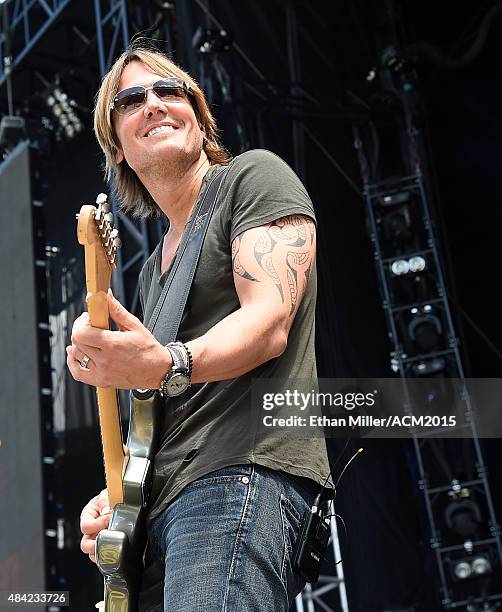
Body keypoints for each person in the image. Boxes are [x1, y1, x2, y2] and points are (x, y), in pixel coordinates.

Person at [67, 42, 332, 612]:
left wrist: (165, 363)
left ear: (199, 114)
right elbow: (159, 414)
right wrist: (120, 496)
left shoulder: (253, 178)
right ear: (116, 145)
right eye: (132, 99)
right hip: (164, 511)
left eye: (170, 90)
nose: (155, 104)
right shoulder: (150, 275)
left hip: (238, 472)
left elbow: (268, 322)